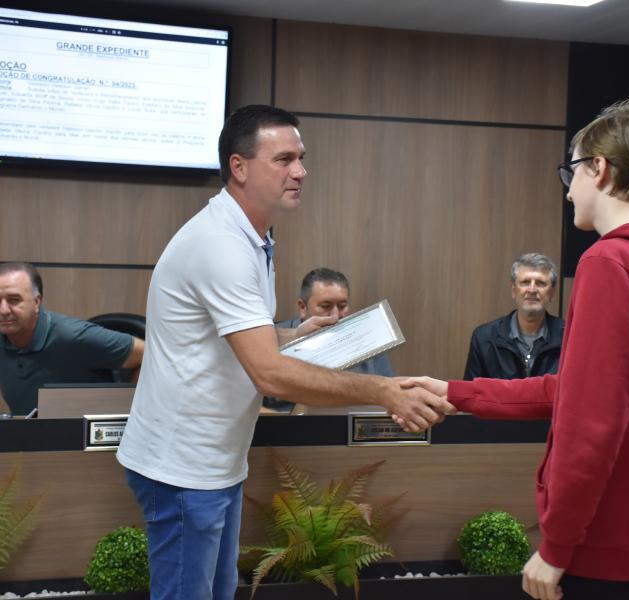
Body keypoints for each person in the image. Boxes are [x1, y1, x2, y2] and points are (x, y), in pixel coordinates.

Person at [115, 105, 452, 600]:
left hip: (217, 462)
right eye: (284, 159)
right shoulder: (221, 244)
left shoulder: (253, 237)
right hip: (183, 467)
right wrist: (383, 390)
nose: (300, 171)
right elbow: (270, 376)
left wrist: (298, 337)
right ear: (239, 167)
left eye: (301, 158)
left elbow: (235, 338)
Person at [401, 99, 629, 600]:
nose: (568, 191)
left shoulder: (609, 263)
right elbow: (579, 391)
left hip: (602, 539)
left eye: (571, 172)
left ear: (598, 168)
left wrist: (557, 546)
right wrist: (457, 393)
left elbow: (591, 421)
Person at [0, 262, 144, 416]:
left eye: (14, 300)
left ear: (36, 302)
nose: (3, 310)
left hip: (84, 435)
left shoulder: (74, 335)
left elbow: (147, 354)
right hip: (30, 432)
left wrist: (133, 416)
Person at [265, 267, 395, 412]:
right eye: (325, 306)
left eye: (342, 306)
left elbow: (387, 399)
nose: (335, 315)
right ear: (303, 307)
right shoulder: (268, 339)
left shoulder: (370, 341)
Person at [463, 253, 564, 380]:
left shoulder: (569, 337)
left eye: (540, 283)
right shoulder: (484, 338)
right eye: (525, 282)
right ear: (513, 290)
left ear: (552, 293)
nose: (532, 290)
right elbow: (471, 390)